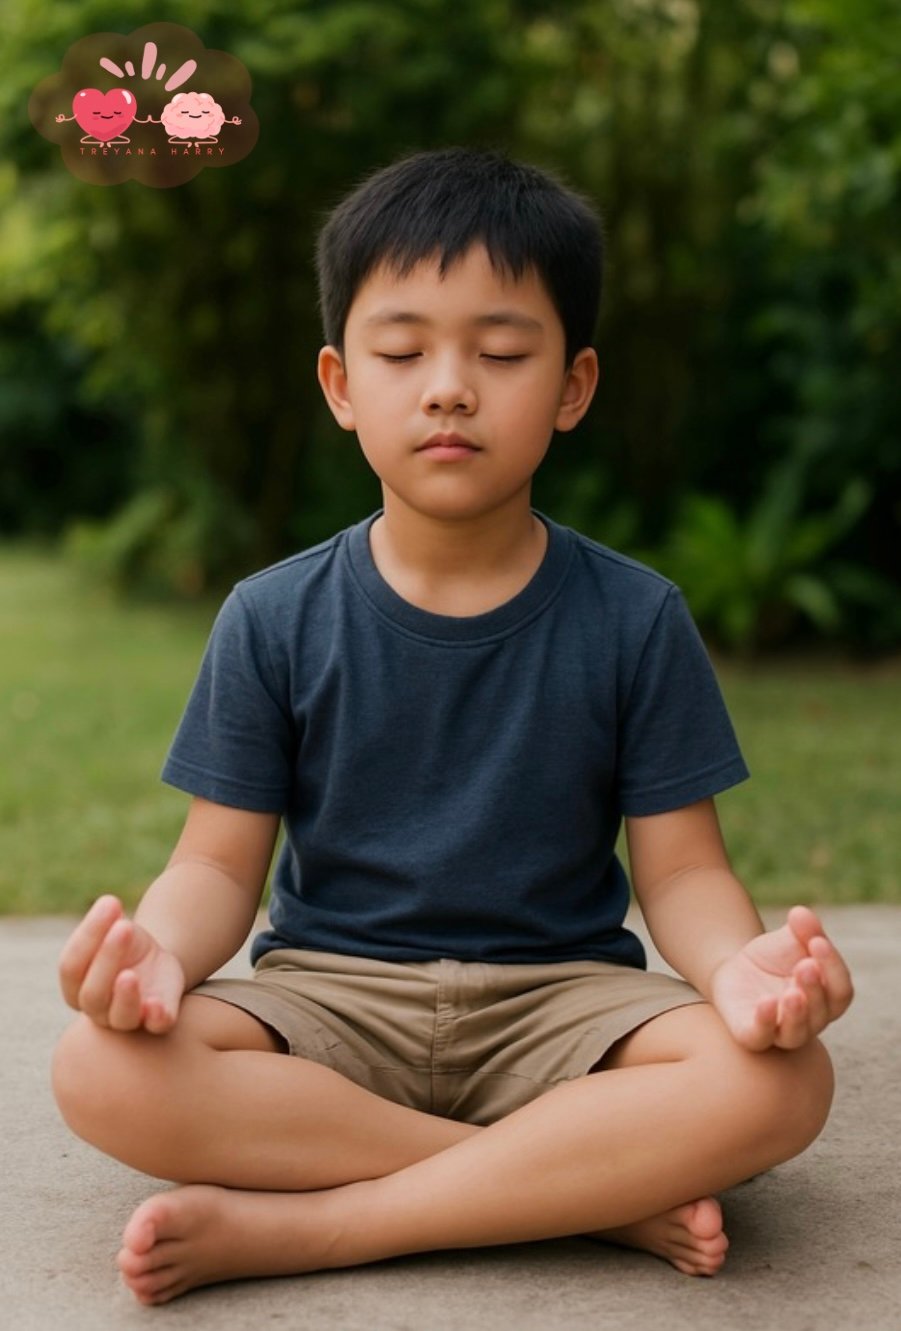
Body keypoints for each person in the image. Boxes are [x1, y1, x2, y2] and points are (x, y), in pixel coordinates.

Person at [52, 145, 853, 1307]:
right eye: (401, 349)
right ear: (338, 382)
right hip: (329, 995)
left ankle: (320, 1225)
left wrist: (742, 978)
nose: (448, 386)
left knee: (783, 1081)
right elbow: (215, 863)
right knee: (99, 1067)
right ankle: (585, 1190)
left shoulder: (636, 616)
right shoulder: (271, 616)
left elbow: (680, 873)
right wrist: (159, 960)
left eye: (501, 351)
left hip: (563, 1001)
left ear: (573, 385)